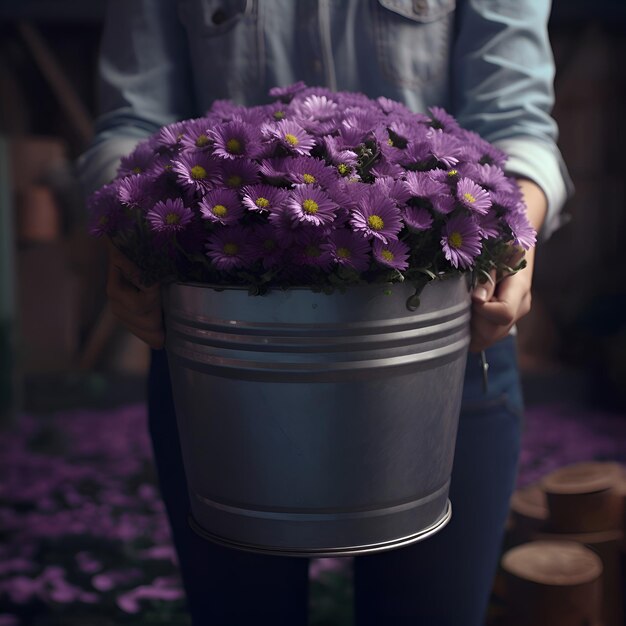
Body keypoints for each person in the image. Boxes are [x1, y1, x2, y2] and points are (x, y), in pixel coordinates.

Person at [78, 1, 572, 624]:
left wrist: (512, 235)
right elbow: (133, 121)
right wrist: (129, 229)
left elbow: (515, 120)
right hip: (224, 348)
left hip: (447, 336)